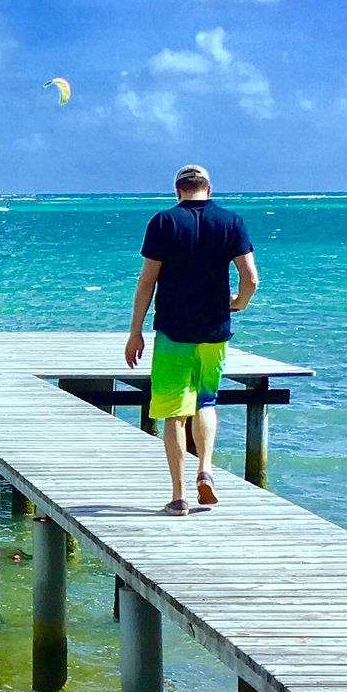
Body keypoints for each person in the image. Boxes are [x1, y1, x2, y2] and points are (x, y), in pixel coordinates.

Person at [125, 163, 258, 514]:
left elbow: (147, 281)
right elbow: (251, 278)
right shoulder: (232, 222)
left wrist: (135, 331)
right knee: (206, 401)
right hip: (214, 331)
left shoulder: (163, 222)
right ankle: (206, 471)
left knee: (173, 414)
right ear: (208, 189)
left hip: (173, 330)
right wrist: (238, 304)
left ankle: (179, 495)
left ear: (177, 191)